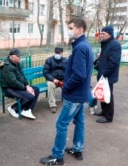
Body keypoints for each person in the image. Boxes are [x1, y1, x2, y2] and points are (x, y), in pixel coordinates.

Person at [40, 17, 93, 165]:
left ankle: (57, 156)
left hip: (75, 95)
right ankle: (77, 149)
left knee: (61, 124)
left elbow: (79, 75)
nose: (69, 31)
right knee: (80, 122)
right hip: (81, 94)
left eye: (71, 28)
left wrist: (66, 86)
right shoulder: (85, 45)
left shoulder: (80, 47)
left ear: (80, 30)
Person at [0, 48, 39, 120]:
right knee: (29, 97)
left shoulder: (17, 63)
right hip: (8, 88)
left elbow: (22, 75)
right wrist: (25, 88)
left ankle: (27, 110)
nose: (20, 57)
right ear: (12, 56)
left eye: (20, 56)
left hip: (18, 86)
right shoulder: (6, 66)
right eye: (18, 56)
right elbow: (13, 82)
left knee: (36, 89)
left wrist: (27, 85)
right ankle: (13, 108)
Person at [93, 25, 121, 123]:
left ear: (109, 34)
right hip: (102, 74)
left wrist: (104, 74)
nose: (102, 35)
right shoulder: (106, 43)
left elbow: (113, 62)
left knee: (108, 95)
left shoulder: (115, 44)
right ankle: (104, 111)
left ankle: (108, 116)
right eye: (101, 33)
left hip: (107, 75)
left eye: (104, 34)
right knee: (102, 94)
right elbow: (105, 58)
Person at [43, 47, 67, 113]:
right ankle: (52, 105)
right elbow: (45, 72)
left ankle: (69, 102)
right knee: (50, 85)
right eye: (56, 53)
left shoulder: (65, 60)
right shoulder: (49, 60)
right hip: (52, 80)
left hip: (63, 79)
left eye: (59, 53)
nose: (57, 54)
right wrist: (53, 79)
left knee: (70, 84)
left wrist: (65, 79)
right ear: (54, 53)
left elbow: (68, 72)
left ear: (62, 53)